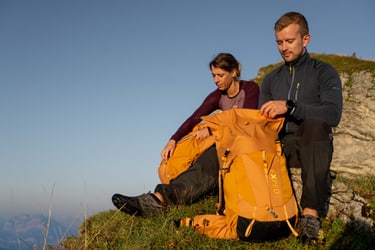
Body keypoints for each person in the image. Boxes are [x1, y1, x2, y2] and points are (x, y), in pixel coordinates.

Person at [112, 53, 260, 217]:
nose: (216, 80)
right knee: (200, 161)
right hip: (225, 142)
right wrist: (173, 140)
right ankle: (157, 199)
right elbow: (193, 119)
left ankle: (159, 200)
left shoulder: (251, 88)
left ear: (233, 72)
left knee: (208, 163)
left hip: (246, 145)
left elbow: (246, 120)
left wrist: (212, 129)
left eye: (220, 75)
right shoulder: (217, 96)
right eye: (213, 76)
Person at [258, 12, 343, 245]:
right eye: (279, 42)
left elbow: (333, 114)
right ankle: (167, 196)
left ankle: (310, 216)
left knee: (315, 124)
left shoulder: (324, 72)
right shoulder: (270, 79)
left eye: (289, 41)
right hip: (280, 146)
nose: (283, 48)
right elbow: (262, 124)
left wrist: (290, 107)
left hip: (312, 143)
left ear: (306, 39)